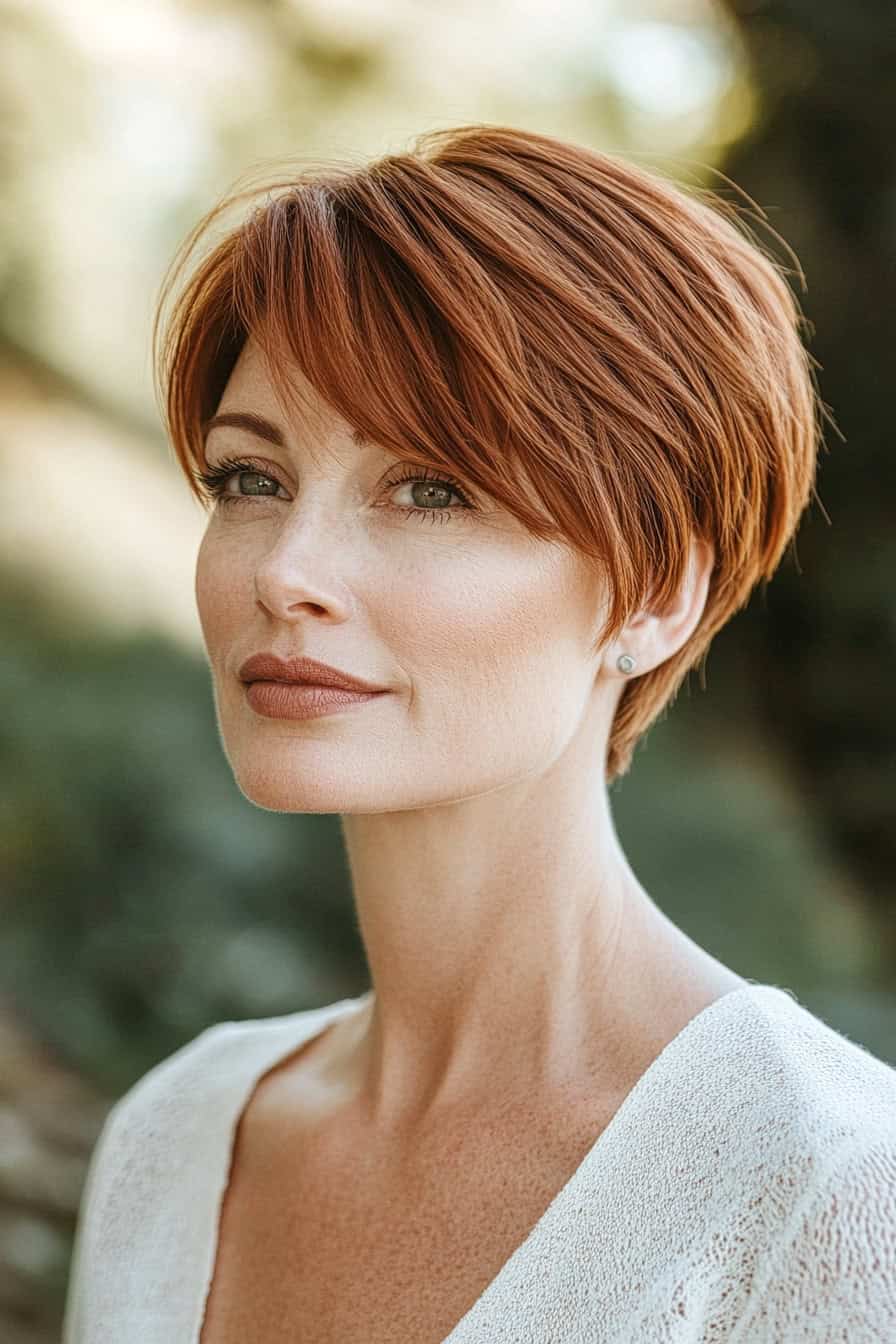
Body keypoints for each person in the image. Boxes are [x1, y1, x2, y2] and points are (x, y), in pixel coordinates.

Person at [63, 123, 895, 1342]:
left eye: (432, 490)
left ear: (655, 594)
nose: (288, 573)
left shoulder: (828, 1191)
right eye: (253, 479)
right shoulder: (176, 1135)